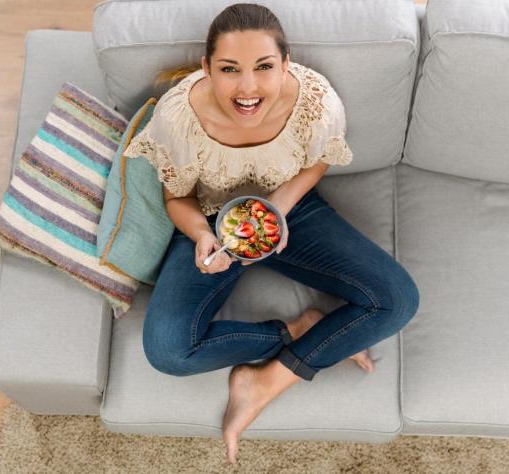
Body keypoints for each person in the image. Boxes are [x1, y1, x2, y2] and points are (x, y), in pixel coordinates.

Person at [123, 3, 420, 465]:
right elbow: (176, 198)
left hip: (290, 211)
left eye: (264, 67)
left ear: (285, 64)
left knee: (397, 300)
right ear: (207, 68)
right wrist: (201, 236)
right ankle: (300, 329)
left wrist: (277, 208)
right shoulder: (178, 116)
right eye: (229, 69)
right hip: (213, 219)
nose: (248, 88)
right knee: (168, 352)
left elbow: (318, 160)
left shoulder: (315, 102)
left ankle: (269, 380)